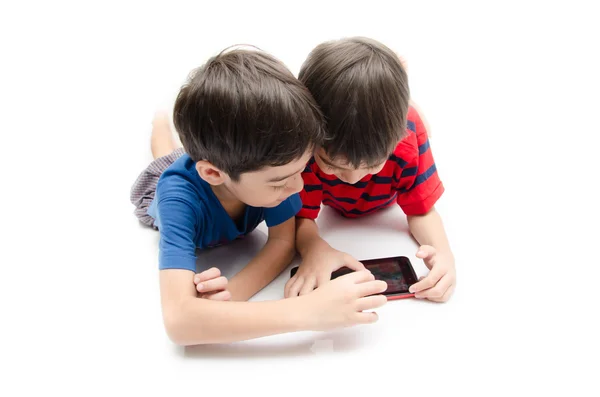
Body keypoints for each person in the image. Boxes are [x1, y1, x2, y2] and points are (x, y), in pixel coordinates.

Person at [130, 47, 388, 345]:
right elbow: (178, 322)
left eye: (301, 171)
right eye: (279, 182)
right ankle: (159, 121)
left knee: (181, 154)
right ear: (214, 174)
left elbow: (282, 242)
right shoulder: (177, 200)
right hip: (166, 187)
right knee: (164, 155)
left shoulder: (282, 171)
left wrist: (227, 300)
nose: (298, 188)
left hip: (213, 165)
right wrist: (306, 312)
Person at [285, 37, 456, 303]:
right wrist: (313, 248)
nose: (353, 179)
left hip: (402, 129)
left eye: (373, 165)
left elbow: (421, 210)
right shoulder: (306, 145)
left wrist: (443, 255)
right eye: (331, 165)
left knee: (413, 117)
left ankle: (405, 99)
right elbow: (301, 218)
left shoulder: (407, 136)